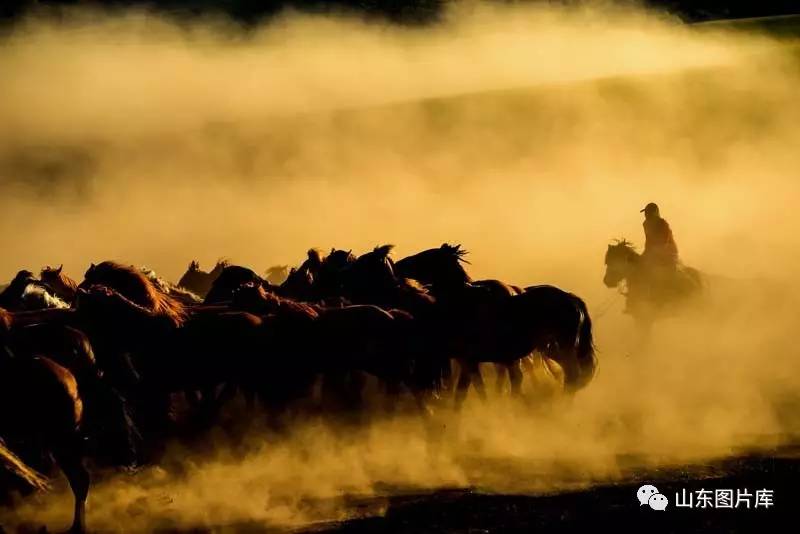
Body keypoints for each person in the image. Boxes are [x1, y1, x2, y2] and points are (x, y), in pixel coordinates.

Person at [641, 202, 678, 269]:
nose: (646, 215)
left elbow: (664, 243)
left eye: (648, 212)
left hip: (669, 254)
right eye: (646, 212)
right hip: (653, 253)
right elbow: (648, 241)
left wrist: (653, 255)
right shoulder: (646, 224)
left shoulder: (663, 224)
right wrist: (645, 254)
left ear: (654, 213)